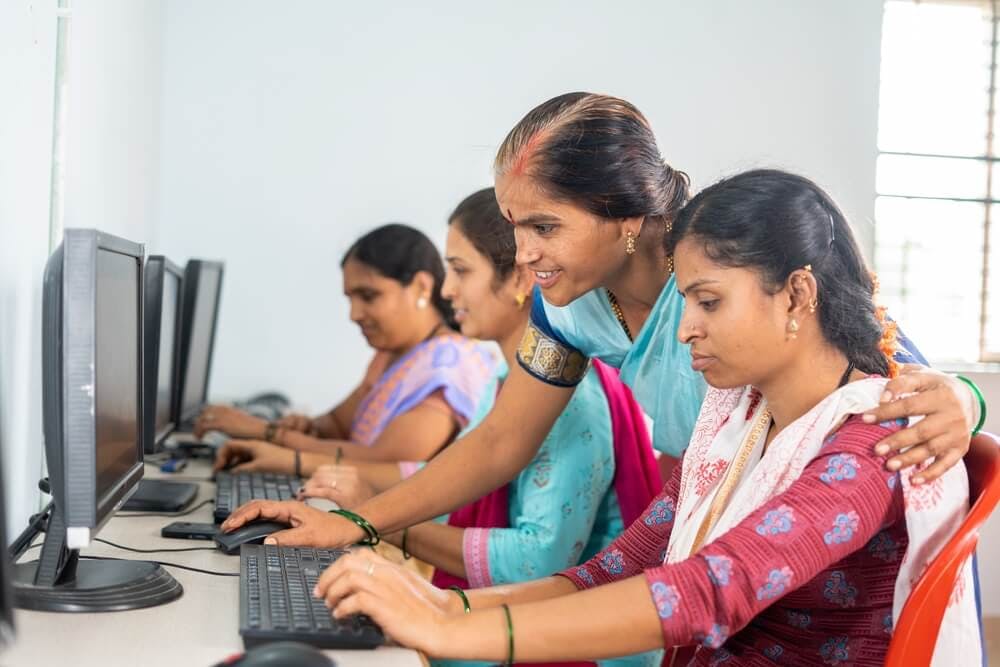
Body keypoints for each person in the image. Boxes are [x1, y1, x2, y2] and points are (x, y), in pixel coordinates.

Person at [221, 92, 980, 555]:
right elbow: (499, 441)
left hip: (798, 528)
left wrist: (966, 399)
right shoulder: (565, 304)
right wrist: (356, 519)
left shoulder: (733, 263)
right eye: (515, 226)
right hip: (699, 515)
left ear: (627, 219)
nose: (522, 255)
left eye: (544, 226)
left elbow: (889, 358)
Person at [309, 170, 981, 665]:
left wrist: (450, 631)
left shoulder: (875, 440)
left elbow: (710, 589)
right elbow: (618, 565)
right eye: (685, 300)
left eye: (709, 302)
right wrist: (443, 606)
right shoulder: (738, 420)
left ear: (797, 294)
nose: (684, 329)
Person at [304, 188, 663, 667]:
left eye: (460, 270)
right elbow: (453, 467)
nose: (446, 291)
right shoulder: (504, 377)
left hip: (567, 643)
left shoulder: (572, 398)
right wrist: (358, 510)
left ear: (517, 277)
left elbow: (540, 562)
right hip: (513, 617)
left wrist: (376, 523)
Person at [199, 224, 497, 472]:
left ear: (421, 286)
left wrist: (265, 433)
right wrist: (303, 427)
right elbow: (336, 425)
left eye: (368, 296)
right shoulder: (390, 355)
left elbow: (385, 463)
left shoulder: (448, 364)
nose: (354, 314)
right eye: (350, 299)